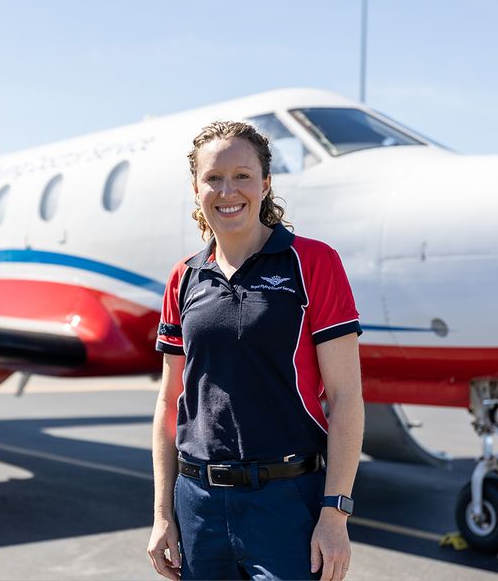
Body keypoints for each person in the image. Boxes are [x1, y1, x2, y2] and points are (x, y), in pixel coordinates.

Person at [147, 121, 364, 581]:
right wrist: (163, 513)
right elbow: (170, 403)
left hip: (287, 503)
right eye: (214, 178)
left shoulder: (313, 263)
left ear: (265, 184)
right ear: (196, 189)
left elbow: (346, 397)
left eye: (243, 175)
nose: (229, 190)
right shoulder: (183, 278)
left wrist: (335, 512)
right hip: (198, 504)